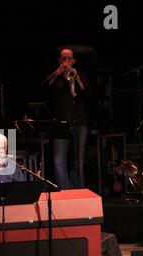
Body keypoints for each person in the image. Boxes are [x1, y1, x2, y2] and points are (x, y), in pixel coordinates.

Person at [41, 48, 91, 189]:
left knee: (78, 161)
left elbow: (88, 95)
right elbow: (43, 89)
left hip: (79, 123)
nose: (67, 61)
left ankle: (80, 194)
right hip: (61, 124)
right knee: (59, 160)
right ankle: (65, 193)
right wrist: (57, 73)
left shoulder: (82, 76)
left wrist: (77, 79)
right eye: (64, 59)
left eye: (69, 59)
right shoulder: (56, 79)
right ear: (59, 61)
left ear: (74, 61)